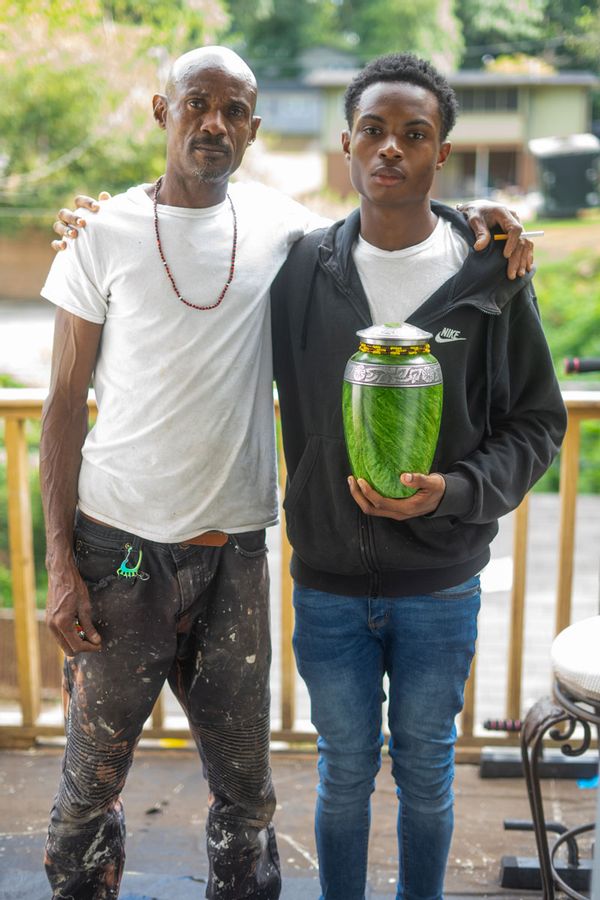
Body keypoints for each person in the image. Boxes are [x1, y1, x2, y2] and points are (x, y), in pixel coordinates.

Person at [47, 46, 535, 900]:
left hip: (263, 555)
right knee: (94, 784)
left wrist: (485, 222)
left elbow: (397, 202)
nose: (214, 124)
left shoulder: (305, 237)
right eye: (196, 104)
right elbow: (58, 405)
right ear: (164, 113)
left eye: (234, 110)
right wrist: (58, 561)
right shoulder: (144, 237)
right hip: (136, 553)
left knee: (261, 793)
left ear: (255, 127)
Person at [270, 53, 566, 900]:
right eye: (373, 131)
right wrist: (105, 222)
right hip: (327, 580)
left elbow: (538, 422)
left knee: (428, 772)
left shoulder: (491, 274)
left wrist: (458, 492)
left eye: (414, 134)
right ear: (347, 145)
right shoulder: (302, 271)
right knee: (343, 771)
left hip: (441, 584)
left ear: (442, 153)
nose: (390, 148)